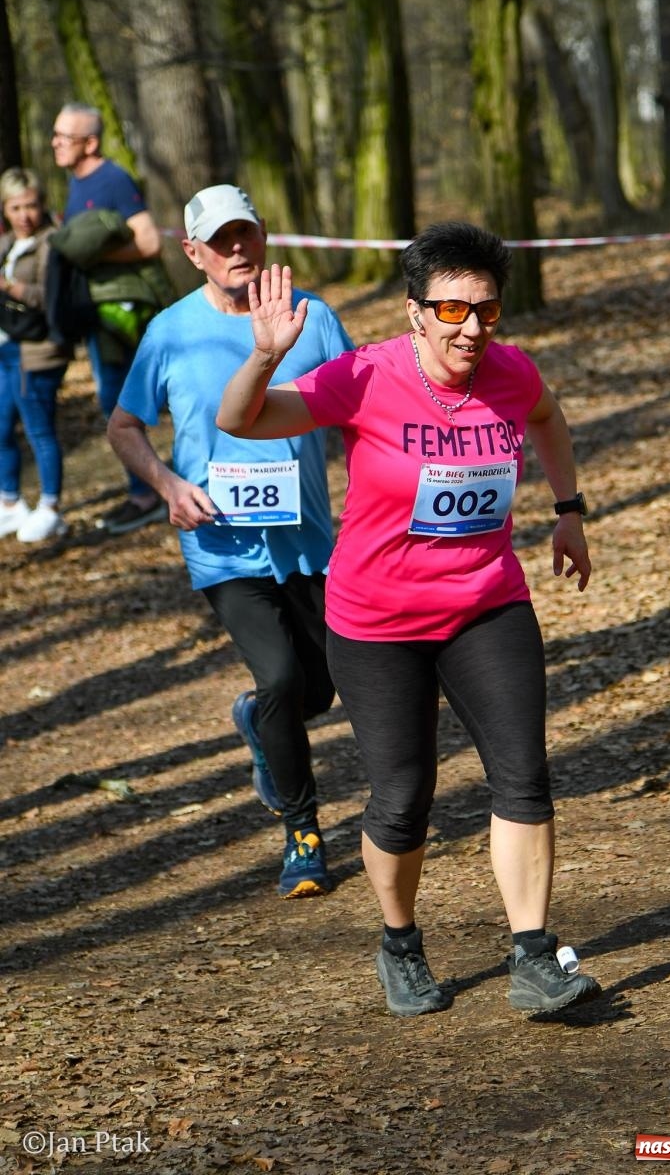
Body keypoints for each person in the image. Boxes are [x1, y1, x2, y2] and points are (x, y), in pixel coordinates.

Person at [216, 221, 602, 1017]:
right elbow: (241, 421)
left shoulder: (511, 373)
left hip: (486, 603)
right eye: (453, 311)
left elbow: (550, 417)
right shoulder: (364, 376)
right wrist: (264, 356)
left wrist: (568, 510)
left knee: (523, 775)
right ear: (416, 313)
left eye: (487, 312)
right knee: (403, 794)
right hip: (376, 620)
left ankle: (533, 956)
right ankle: (399, 940)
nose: (472, 330)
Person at [107, 184, 353, 897]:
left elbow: (362, 409)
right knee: (278, 676)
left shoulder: (315, 319)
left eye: (245, 234)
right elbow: (125, 426)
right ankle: (303, 835)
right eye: (220, 241)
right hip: (221, 546)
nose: (236, 249)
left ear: (264, 236)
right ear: (193, 254)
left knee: (317, 690)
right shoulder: (171, 331)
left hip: (308, 541)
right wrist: (168, 486)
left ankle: (256, 720)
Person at [52, 101, 166, 534]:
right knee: (114, 401)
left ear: (91, 142)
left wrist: (96, 255)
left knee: (122, 402)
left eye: (65, 137)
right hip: (98, 312)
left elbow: (150, 241)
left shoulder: (112, 179)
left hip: (122, 311)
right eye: (56, 135)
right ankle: (142, 489)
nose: (55, 143)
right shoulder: (76, 181)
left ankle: (147, 494)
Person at [0, 167, 72, 542]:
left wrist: (10, 287)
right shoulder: (8, 243)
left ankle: (50, 507)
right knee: (1, 427)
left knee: (39, 429)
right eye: (15, 207)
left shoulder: (50, 243)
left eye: (30, 206)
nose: (24, 215)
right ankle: (10, 503)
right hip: (8, 348)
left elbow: (49, 297)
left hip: (39, 351)